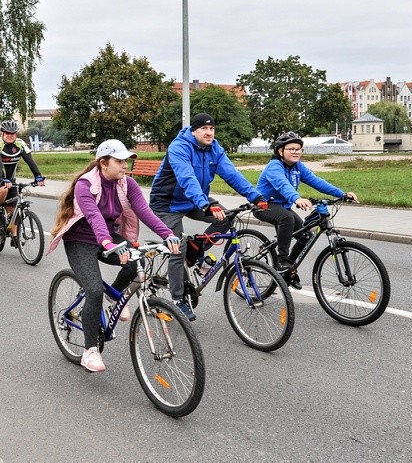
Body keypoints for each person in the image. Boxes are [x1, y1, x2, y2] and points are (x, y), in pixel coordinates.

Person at [46, 139, 181, 373]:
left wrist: (167, 234)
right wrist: (106, 241)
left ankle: (114, 298)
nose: (124, 166)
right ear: (103, 163)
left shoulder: (127, 184)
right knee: (94, 289)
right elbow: (93, 216)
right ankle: (90, 351)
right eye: (119, 161)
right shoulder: (85, 185)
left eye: (126, 161)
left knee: (136, 262)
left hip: (109, 237)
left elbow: (144, 211)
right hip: (81, 240)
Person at [149, 113, 268, 321]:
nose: (209, 132)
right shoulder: (179, 147)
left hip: (195, 200)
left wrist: (255, 196)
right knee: (177, 247)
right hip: (167, 204)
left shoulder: (214, 148)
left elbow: (231, 174)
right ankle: (178, 300)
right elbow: (186, 177)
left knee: (226, 219)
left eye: (212, 129)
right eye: (204, 129)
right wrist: (206, 204)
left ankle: (197, 252)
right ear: (193, 131)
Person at [254, 131, 358, 289]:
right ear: (280, 151)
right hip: (264, 205)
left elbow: (317, 181)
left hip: (283, 207)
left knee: (306, 236)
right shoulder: (274, 167)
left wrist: (342, 194)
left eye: (299, 149)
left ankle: (289, 270)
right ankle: (282, 261)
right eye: (292, 149)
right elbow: (283, 184)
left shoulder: (298, 167)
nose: (296, 152)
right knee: (286, 218)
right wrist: (296, 198)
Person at [0, 120, 46, 240]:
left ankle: (14, 237)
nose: (10, 135)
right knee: (3, 191)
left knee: (12, 212)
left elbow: (30, 161)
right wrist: (2, 179)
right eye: (7, 133)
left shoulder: (20, 144)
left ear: (16, 134)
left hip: (10, 179)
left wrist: (38, 176)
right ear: (2, 133)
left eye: (13, 133)